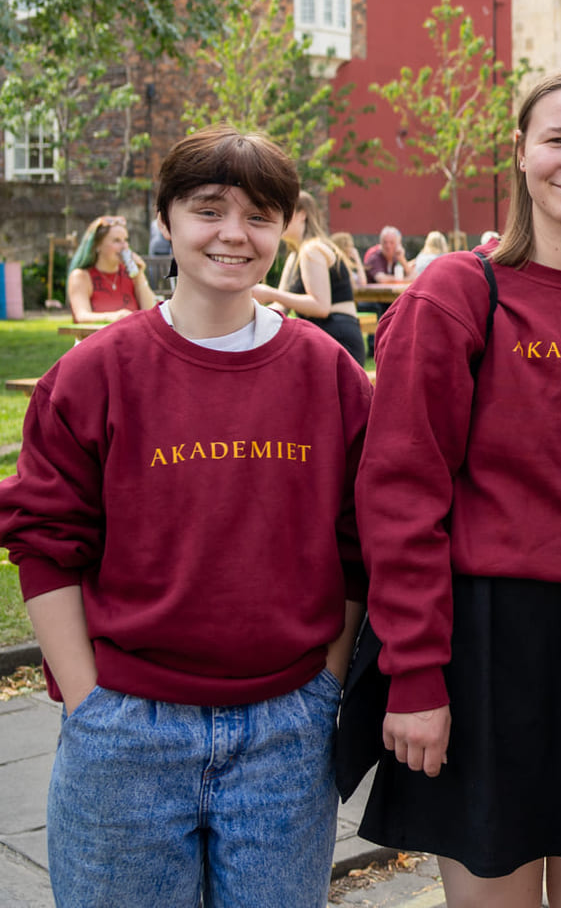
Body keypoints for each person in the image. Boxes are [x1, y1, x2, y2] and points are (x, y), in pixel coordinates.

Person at [0, 126, 369, 907]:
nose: (234, 234)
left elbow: (356, 542)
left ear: (285, 229)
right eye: (208, 210)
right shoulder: (95, 373)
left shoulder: (328, 374)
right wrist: (88, 699)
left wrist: (325, 690)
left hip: (285, 729)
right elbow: (43, 541)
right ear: (164, 219)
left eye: (260, 215)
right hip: (126, 730)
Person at [355, 66, 561, 908]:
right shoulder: (458, 295)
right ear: (521, 154)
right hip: (484, 645)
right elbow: (401, 495)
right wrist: (416, 674)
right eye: (557, 139)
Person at [252, 193, 367, 363]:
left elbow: (321, 306)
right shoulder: (295, 256)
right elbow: (281, 307)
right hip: (320, 336)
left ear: (302, 214)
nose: (278, 218)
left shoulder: (312, 249)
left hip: (338, 337)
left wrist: (270, 293)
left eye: (285, 212)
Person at [65, 215, 156, 323]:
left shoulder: (131, 274)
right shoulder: (81, 276)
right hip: (96, 338)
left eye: (125, 240)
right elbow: (82, 316)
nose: (124, 246)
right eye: (116, 241)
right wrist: (116, 317)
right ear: (97, 245)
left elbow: (149, 313)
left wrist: (140, 275)